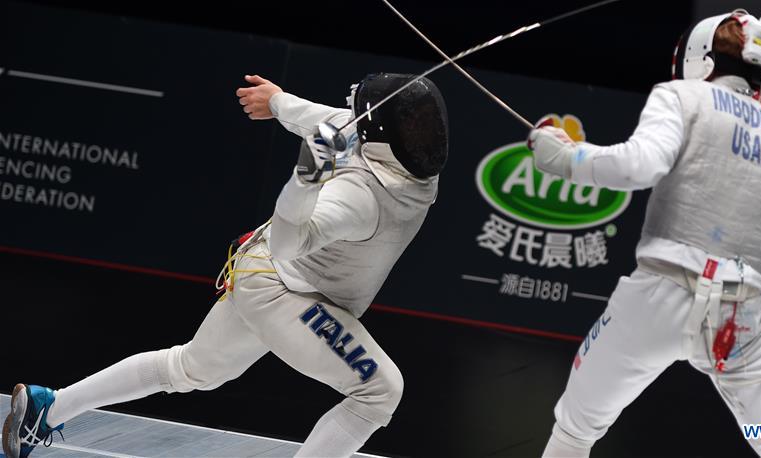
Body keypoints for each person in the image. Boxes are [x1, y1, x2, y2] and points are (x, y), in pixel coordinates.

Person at [3, 72, 449, 458]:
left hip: (268, 272)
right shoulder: (361, 196)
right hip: (286, 286)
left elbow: (314, 114)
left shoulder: (360, 134)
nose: (424, 130)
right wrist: (305, 177)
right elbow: (293, 242)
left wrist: (274, 100)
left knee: (192, 369)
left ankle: (50, 407)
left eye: (424, 122)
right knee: (379, 391)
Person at [527, 9, 761, 457]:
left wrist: (564, 157)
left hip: (655, 299)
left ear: (698, 61)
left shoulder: (680, 97)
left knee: (574, 431)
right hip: (741, 320)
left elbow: (638, 165)